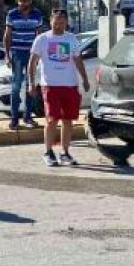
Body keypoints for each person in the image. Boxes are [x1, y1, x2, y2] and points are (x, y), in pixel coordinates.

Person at [28, 9, 90, 167]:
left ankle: (65, 153)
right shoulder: (42, 39)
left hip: (70, 85)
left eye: (62, 21)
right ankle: (48, 152)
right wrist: (31, 83)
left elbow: (77, 60)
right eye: (56, 20)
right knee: (52, 119)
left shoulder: (71, 39)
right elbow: (32, 62)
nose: (59, 23)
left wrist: (84, 79)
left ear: (66, 22)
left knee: (68, 120)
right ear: (51, 21)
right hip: (50, 86)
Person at [3, 0, 44, 130]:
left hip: (32, 53)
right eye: (20, 1)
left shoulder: (37, 14)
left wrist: (39, 55)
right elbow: (7, 36)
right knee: (16, 86)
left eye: (24, 1)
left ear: (30, 1)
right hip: (17, 53)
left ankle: (28, 117)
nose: (21, 4)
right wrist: (7, 55)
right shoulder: (12, 14)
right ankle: (14, 119)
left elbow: (39, 36)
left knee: (31, 86)